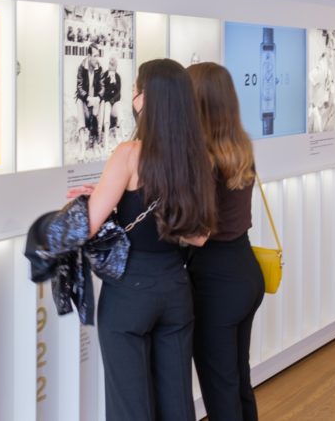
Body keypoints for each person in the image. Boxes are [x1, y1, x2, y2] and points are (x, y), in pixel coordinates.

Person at [69, 58, 217, 421]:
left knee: (130, 407)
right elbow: (199, 237)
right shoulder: (199, 158)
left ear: (145, 98)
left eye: (136, 89)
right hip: (176, 288)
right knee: (177, 403)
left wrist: (89, 201)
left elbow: (86, 227)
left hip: (129, 293)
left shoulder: (129, 154)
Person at [185, 62, 266, 421]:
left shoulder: (203, 158)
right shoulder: (239, 145)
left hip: (215, 281)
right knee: (237, 380)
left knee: (220, 390)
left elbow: (198, 234)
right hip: (245, 271)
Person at [101, 56, 122, 142]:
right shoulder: (105, 75)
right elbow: (103, 91)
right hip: (107, 101)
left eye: (113, 65)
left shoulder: (117, 77)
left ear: (116, 67)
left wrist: (113, 99)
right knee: (107, 107)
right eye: (110, 64)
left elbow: (118, 93)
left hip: (115, 101)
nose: (112, 67)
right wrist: (109, 81)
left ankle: (118, 131)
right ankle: (106, 137)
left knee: (119, 106)